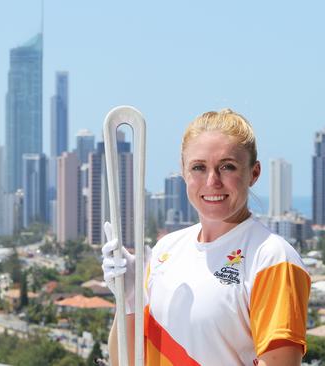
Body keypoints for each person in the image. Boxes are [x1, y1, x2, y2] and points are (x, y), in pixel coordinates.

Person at [102, 109, 311, 366]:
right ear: (184, 173)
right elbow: (126, 361)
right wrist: (129, 301)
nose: (212, 181)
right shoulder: (165, 250)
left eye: (227, 167)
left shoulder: (272, 257)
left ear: (254, 173)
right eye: (199, 167)